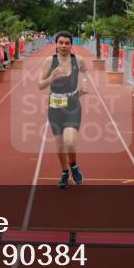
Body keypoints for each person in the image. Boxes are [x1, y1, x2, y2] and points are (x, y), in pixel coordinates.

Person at [37, 31, 88, 188]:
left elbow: (85, 72)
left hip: (73, 106)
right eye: (61, 43)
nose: (64, 46)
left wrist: (84, 84)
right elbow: (40, 85)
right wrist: (51, 78)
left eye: (67, 43)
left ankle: (73, 165)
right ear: (56, 44)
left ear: (71, 45)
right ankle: (65, 172)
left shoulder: (78, 60)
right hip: (55, 108)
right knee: (59, 144)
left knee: (70, 141)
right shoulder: (48, 61)